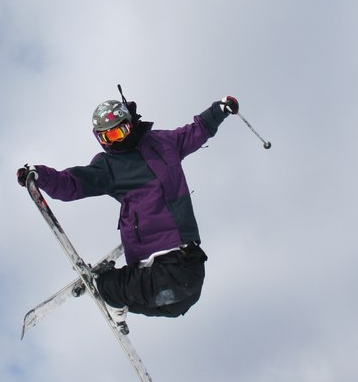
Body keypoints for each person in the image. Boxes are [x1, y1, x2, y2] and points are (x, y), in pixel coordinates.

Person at [17, 92, 239, 321]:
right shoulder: (109, 166)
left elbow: (197, 130)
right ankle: (114, 295)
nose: (114, 142)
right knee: (162, 300)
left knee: (139, 294)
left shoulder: (164, 144)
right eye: (107, 137)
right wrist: (39, 175)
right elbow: (71, 183)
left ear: (129, 125)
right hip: (154, 267)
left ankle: (112, 294)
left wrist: (220, 109)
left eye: (118, 133)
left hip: (184, 260)